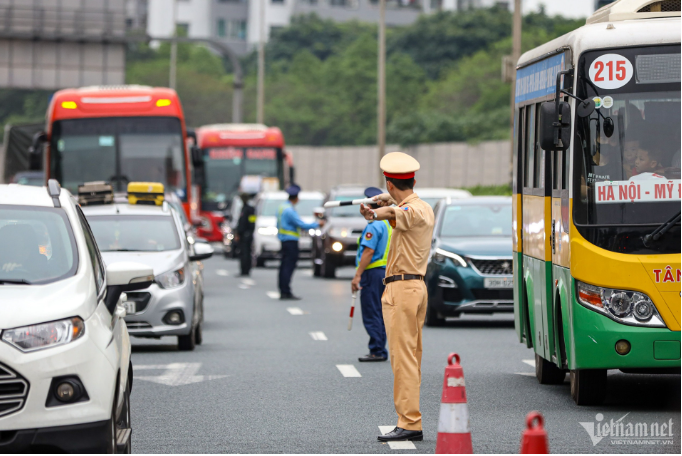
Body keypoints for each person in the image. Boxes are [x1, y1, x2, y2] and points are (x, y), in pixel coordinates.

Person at [359, 152, 434, 443]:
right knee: (411, 357)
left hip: (402, 289)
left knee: (402, 359)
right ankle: (411, 419)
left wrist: (373, 213)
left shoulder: (407, 211)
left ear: (390, 185)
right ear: (412, 181)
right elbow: (398, 211)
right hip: (415, 288)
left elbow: (394, 215)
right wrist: (388, 202)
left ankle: (410, 423)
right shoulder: (423, 207)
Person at [352, 186, 392, 363]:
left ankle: (377, 349)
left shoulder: (374, 224)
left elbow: (368, 251)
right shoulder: (387, 223)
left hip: (372, 272)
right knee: (381, 312)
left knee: (372, 312)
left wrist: (357, 275)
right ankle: (380, 347)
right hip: (385, 272)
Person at [277, 184, 324, 300]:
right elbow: (301, 224)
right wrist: (318, 224)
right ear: (296, 197)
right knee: (288, 267)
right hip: (290, 241)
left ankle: (284, 290)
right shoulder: (289, 210)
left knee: (284, 266)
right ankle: (285, 291)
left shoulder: (282, 207)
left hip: (284, 240)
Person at [235, 193, 256, 277]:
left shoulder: (249, 209)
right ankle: (244, 270)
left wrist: (248, 232)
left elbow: (251, 222)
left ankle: (246, 270)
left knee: (246, 253)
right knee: (244, 253)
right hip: (244, 234)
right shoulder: (244, 208)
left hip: (246, 234)